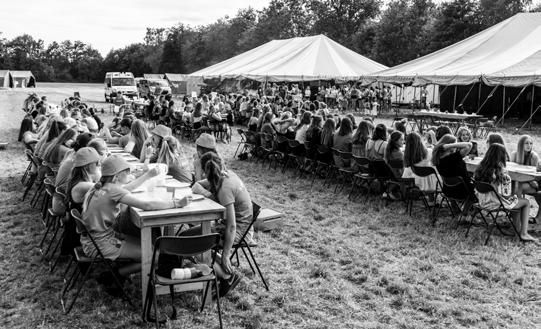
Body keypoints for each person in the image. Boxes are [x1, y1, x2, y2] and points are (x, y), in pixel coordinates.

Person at [82, 156, 190, 276]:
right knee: (154, 256)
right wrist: (176, 203)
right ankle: (113, 276)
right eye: (126, 172)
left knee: (151, 247)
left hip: (92, 240)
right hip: (100, 245)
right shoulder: (113, 191)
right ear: (116, 176)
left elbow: (127, 188)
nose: (129, 174)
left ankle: (124, 269)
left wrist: (148, 175)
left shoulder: (101, 186)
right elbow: (147, 205)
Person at [188, 152, 251, 295]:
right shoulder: (225, 174)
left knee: (189, 245)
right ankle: (222, 271)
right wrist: (206, 191)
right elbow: (197, 184)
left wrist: (225, 255)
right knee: (185, 236)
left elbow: (232, 226)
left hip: (239, 231)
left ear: (205, 171)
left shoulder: (225, 188)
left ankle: (227, 276)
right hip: (227, 226)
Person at [474, 143, 537, 241]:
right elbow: (506, 196)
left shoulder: (480, 168)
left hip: (482, 202)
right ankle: (524, 233)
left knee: (516, 200)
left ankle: (516, 228)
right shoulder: (500, 173)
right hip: (495, 203)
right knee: (525, 202)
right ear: (501, 156)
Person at [432, 134, 475, 206]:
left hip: (448, 190)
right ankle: (465, 212)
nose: (456, 146)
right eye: (455, 144)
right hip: (462, 191)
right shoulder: (453, 157)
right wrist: (449, 145)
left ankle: (455, 207)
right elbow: (469, 145)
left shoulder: (437, 157)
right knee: (477, 182)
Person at [510, 135, 541, 223]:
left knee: (518, 188)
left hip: (533, 182)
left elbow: (535, 175)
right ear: (521, 145)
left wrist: (530, 181)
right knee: (515, 187)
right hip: (517, 181)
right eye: (526, 143)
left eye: (531, 143)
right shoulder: (514, 154)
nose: (529, 145)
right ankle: (515, 214)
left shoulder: (533, 156)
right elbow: (511, 172)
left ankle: (537, 218)